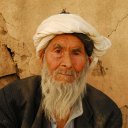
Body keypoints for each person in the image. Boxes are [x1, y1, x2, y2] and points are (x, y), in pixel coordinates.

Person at [0, 12, 122, 128]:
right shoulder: (10, 100)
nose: (67, 64)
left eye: (76, 53)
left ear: (88, 63)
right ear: (42, 58)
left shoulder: (107, 113)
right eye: (58, 51)